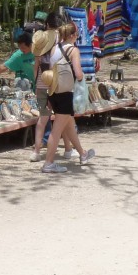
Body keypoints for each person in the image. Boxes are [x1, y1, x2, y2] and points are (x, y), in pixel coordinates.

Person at [41, 22, 94, 173]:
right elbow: (78, 73)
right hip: (66, 93)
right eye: (76, 35)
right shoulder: (73, 50)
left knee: (69, 124)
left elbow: (50, 72)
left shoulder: (54, 49)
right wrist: (81, 78)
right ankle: (48, 163)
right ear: (72, 36)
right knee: (56, 130)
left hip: (54, 92)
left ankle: (82, 154)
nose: (77, 37)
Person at [29, 29, 72, 163]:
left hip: (41, 88)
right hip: (55, 88)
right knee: (62, 119)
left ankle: (36, 152)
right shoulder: (55, 53)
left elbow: (35, 71)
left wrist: (36, 85)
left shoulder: (38, 56)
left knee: (42, 120)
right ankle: (68, 149)